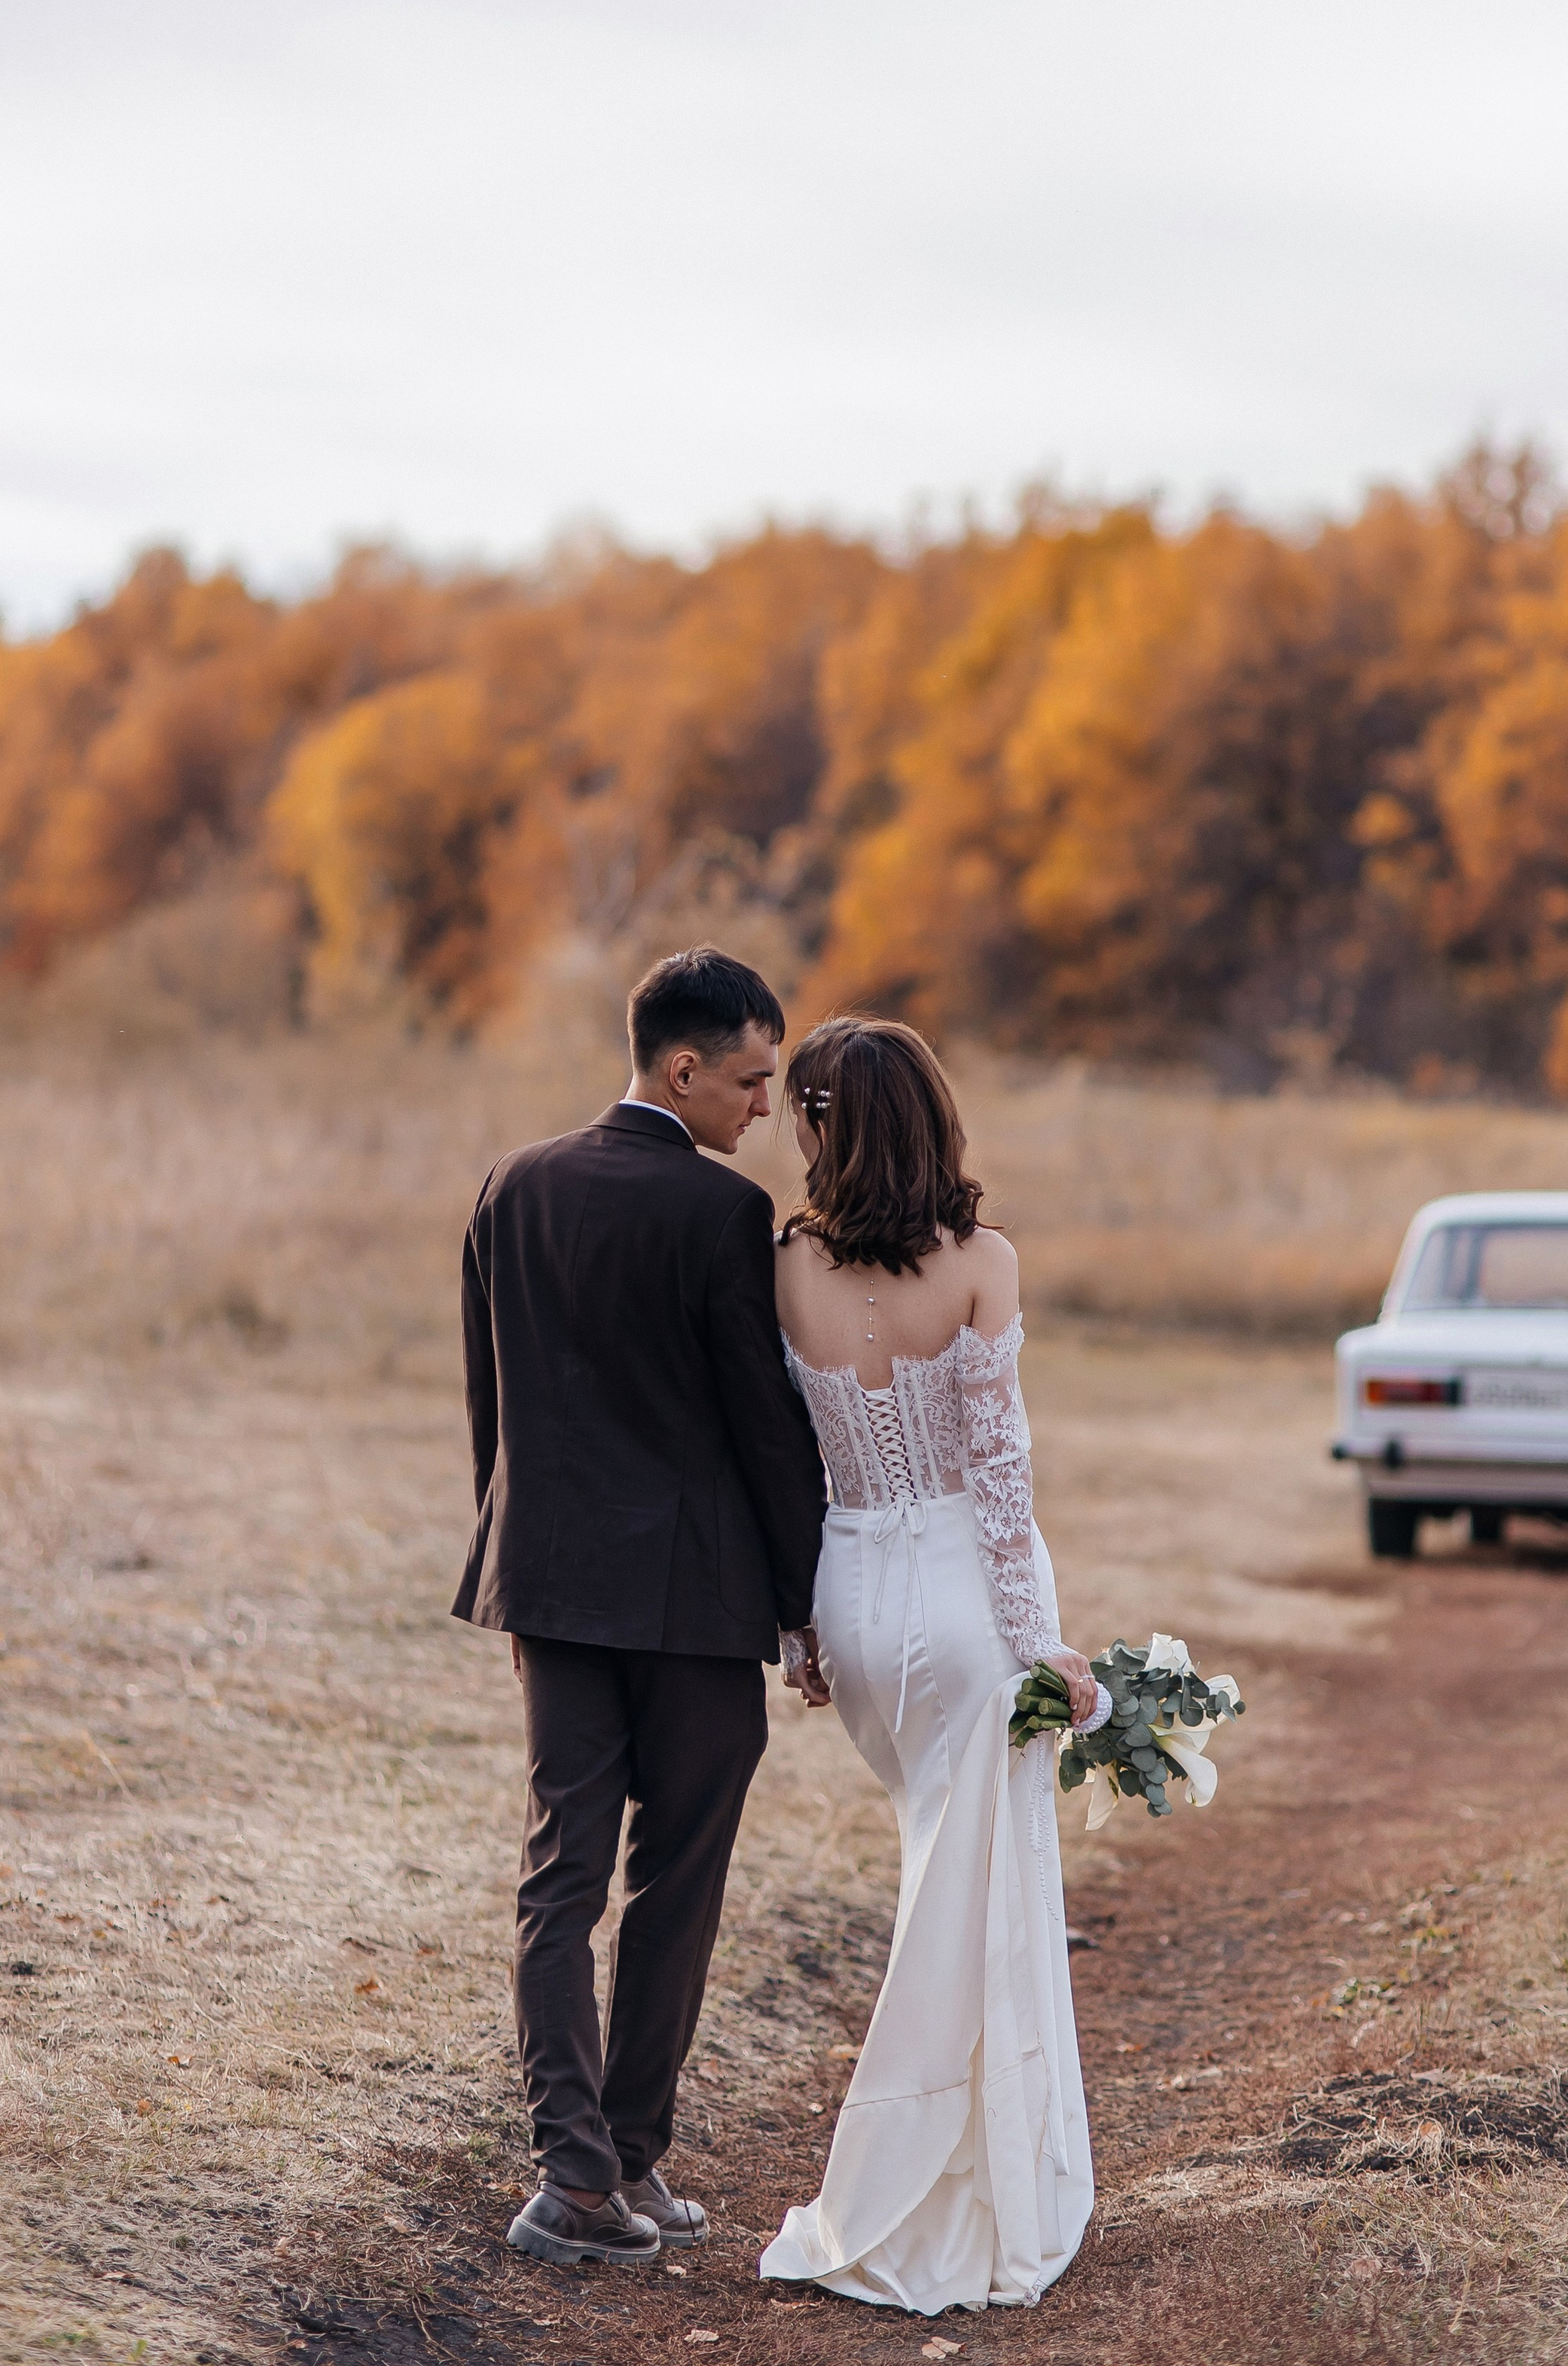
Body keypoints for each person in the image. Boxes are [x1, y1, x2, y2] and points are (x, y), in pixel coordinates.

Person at [453, 946, 829, 2270]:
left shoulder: (511, 1184)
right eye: (752, 1079)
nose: (766, 1106)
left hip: (551, 1588)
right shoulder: (722, 1214)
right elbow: (764, 1428)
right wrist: (805, 1605)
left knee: (560, 1873)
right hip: (691, 1603)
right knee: (677, 1877)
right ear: (681, 1069)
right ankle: (619, 2154)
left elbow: (492, 1403)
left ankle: (584, 2173)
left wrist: (511, 1566)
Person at [758, 1017, 1098, 2313]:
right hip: (964, 1604)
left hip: (853, 1596)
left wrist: (802, 1633)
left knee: (939, 1875)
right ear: (930, 1118)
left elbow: (790, 1466)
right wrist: (1040, 1644)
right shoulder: (982, 1262)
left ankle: (951, 2161)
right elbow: (1001, 1485)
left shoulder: (784, 1265)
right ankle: (940, 2181)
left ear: (824, 1126)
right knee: (983, 1893)